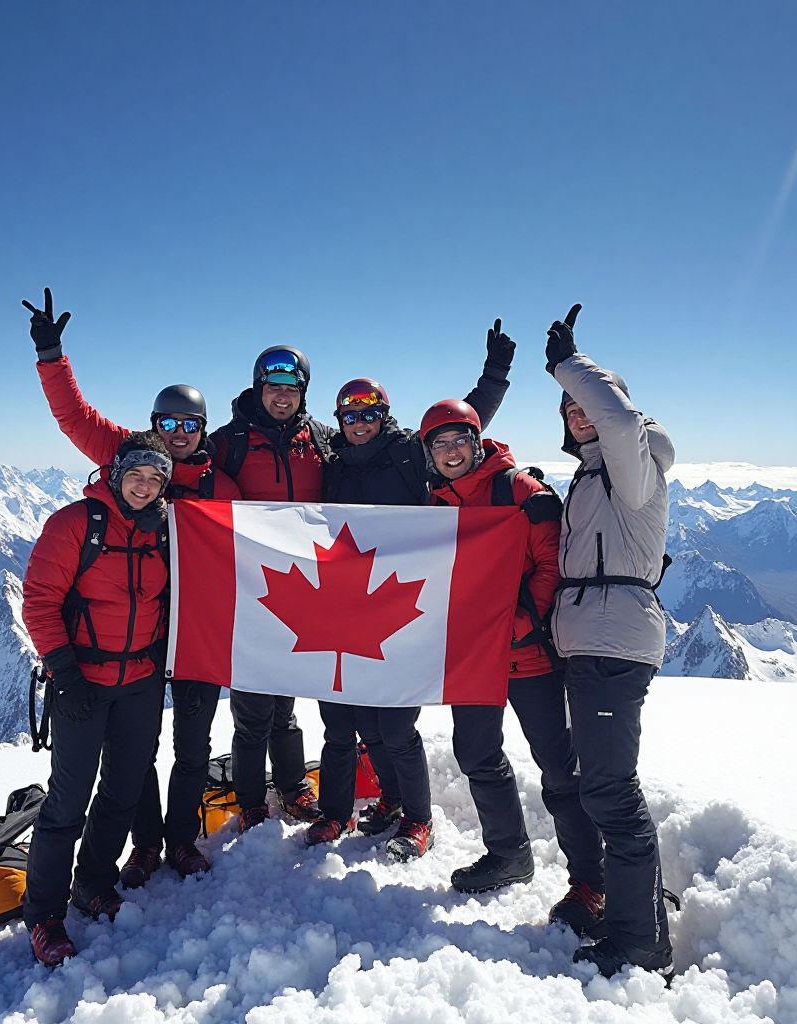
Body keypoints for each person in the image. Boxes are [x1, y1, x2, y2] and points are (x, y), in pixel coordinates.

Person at [22, 288, 238, 888]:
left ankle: (180, 841)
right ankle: (143, 845)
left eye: (187, 425)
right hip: (132, 640)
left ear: (202, 429)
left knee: (192, 743)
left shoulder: (221, 481)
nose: (175, 435)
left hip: (192, 633)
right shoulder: (126, 460)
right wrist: (50, 354)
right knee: (133, 756)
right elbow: (74, 416)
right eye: (165, 423)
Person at [308, 319, 515, 861]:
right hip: (344, 605)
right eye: (349, 416)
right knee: (348, 721)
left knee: (395, 721)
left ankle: (418, 819)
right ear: (339, 422)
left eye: (369, 413)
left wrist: (494, 375)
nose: (359, 423)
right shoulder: (330, 466)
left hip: (404, 603)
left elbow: (457, 433)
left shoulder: (407, 453)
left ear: (383, 415)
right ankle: (355, 809)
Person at [419, 397, 605, 928]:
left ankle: (591, 880)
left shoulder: (522, 492)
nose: (452, 452)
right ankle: (509, 854)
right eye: (440, 444)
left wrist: (518, 622)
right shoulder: (436, 505)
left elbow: (553, 563)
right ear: (430, 454)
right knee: (477, 754)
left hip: (531, 656)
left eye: (459, 440)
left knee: (559, 768)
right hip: (474, 658)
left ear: (476, 441)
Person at [544, 304, 675, 980]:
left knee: (611, 793)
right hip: (593, 645)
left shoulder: (633, 463)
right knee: (603, 785)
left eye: (586, 404)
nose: (578, 412)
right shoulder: (590, 475)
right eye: (568, 406)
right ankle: (636, 902)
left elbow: (620, 419)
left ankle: (643, 940)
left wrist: (570, 364)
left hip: (612, 647)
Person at [21, 431, 172, 967]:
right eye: (137, 474)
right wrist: (65, 672)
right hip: (81, 682)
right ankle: (43, 914)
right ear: (115, 473)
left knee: (124, 790)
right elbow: (39, 601)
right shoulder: (74, 524)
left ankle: (91, 883)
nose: (145, 485)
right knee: (67, 803)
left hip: (141, 681)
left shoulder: (166, 531)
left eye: (157, 478)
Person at [208, 346, 335, 829]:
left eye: (291, 389)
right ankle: (252, 799)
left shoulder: (320, 440)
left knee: (287, 702)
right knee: (252, 706)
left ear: (301, 393)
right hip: (246, 590)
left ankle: (292, 786)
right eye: (273, 388)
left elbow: (393, 455)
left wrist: (491, 384)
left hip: (305, 591)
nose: (281, 397)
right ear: (258, 388)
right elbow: (181, 475)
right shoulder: (229, 442)